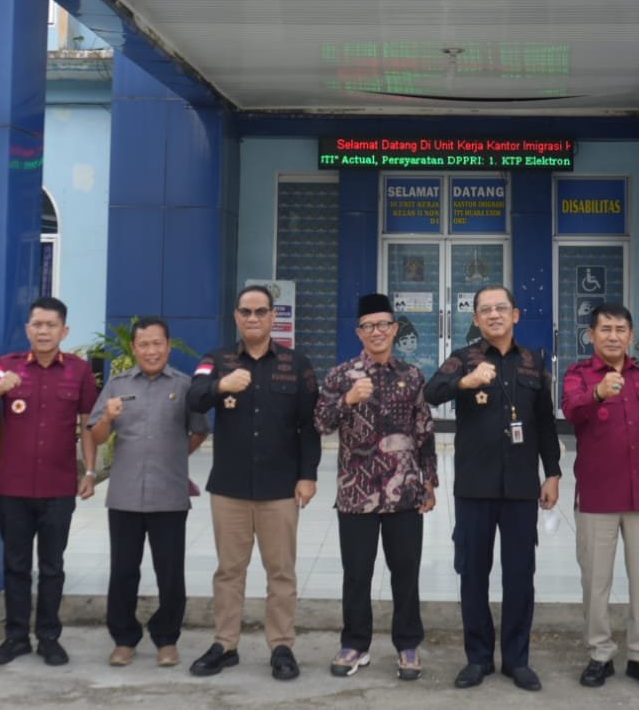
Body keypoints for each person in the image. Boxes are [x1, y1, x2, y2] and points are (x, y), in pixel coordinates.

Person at [425, 283, 561, 692]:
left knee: (520, 575)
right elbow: (430, 393)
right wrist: (464, 383)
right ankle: (478, 658)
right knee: (473, 575)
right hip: (475, 486)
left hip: (521, 487)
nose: (494, 315)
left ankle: (517, 660)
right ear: (476, 319)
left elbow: (545, 423)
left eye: (501, 308)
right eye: (486, 309)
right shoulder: (463, 358)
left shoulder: (534, 362)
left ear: (515, 315)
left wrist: (552, 473)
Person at [186, 284, 321, 681]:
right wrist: (220, 387)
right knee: (229, 570)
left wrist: (308, 475)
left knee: (281, 571)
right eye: (246, 311)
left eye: (261, 311)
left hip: (280, 487)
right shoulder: (217, 360)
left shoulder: (297, 364)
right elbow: (194, 396)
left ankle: (281, 646)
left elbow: (310, 426)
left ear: (273, 316)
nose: (253, 318)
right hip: (229, 487)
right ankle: (225, 644)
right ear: (236, 316)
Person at [314, 293, 438, 681]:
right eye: (369, 326)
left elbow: (424, 431)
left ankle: (408, 644)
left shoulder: (412, 375)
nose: (377, 332)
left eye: (384, 324)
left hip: (404, 493)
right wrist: (348, 400)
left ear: (395, 329)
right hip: (357, 494)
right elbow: (320, 422)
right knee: (356, 573)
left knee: (406, 572)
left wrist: (429, 482)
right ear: (359, 332)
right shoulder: (341, 376)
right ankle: (355, 644)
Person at [0, 296, 98, 667]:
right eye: (37, 325)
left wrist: (90, 471)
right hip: (13, 487)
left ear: (64, 331)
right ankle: (15, 637)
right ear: (28, 329)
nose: (43, 331)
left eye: (51, 325)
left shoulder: (79, 370)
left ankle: (48, 637)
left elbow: (88, 423)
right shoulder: (5, 365)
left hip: (58, 487)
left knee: (51, 567)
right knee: (15, 566)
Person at [561, 302, 639, 690]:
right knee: (596, 581)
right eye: (605, 329)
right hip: (597, 496)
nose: (613, 336)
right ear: (591, 335)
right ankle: (600, 653)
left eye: (620, 329)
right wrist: (597, 393)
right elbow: (571, 412)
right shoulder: (578, 374)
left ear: (631, 336)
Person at [89, 315, 209, 669]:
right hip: (125, 495)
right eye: (144, 344)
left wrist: (175, 456)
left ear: (168, 346)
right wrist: (107, 418)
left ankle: (166, 639)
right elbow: (95, 435)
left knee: (170, 572)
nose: (151, 350)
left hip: (169, 495)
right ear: (134, 348)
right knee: (123, 571)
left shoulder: (185, 386)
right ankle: (124, 639)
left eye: (158, 343)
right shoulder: (117, 385)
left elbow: (200, 431)